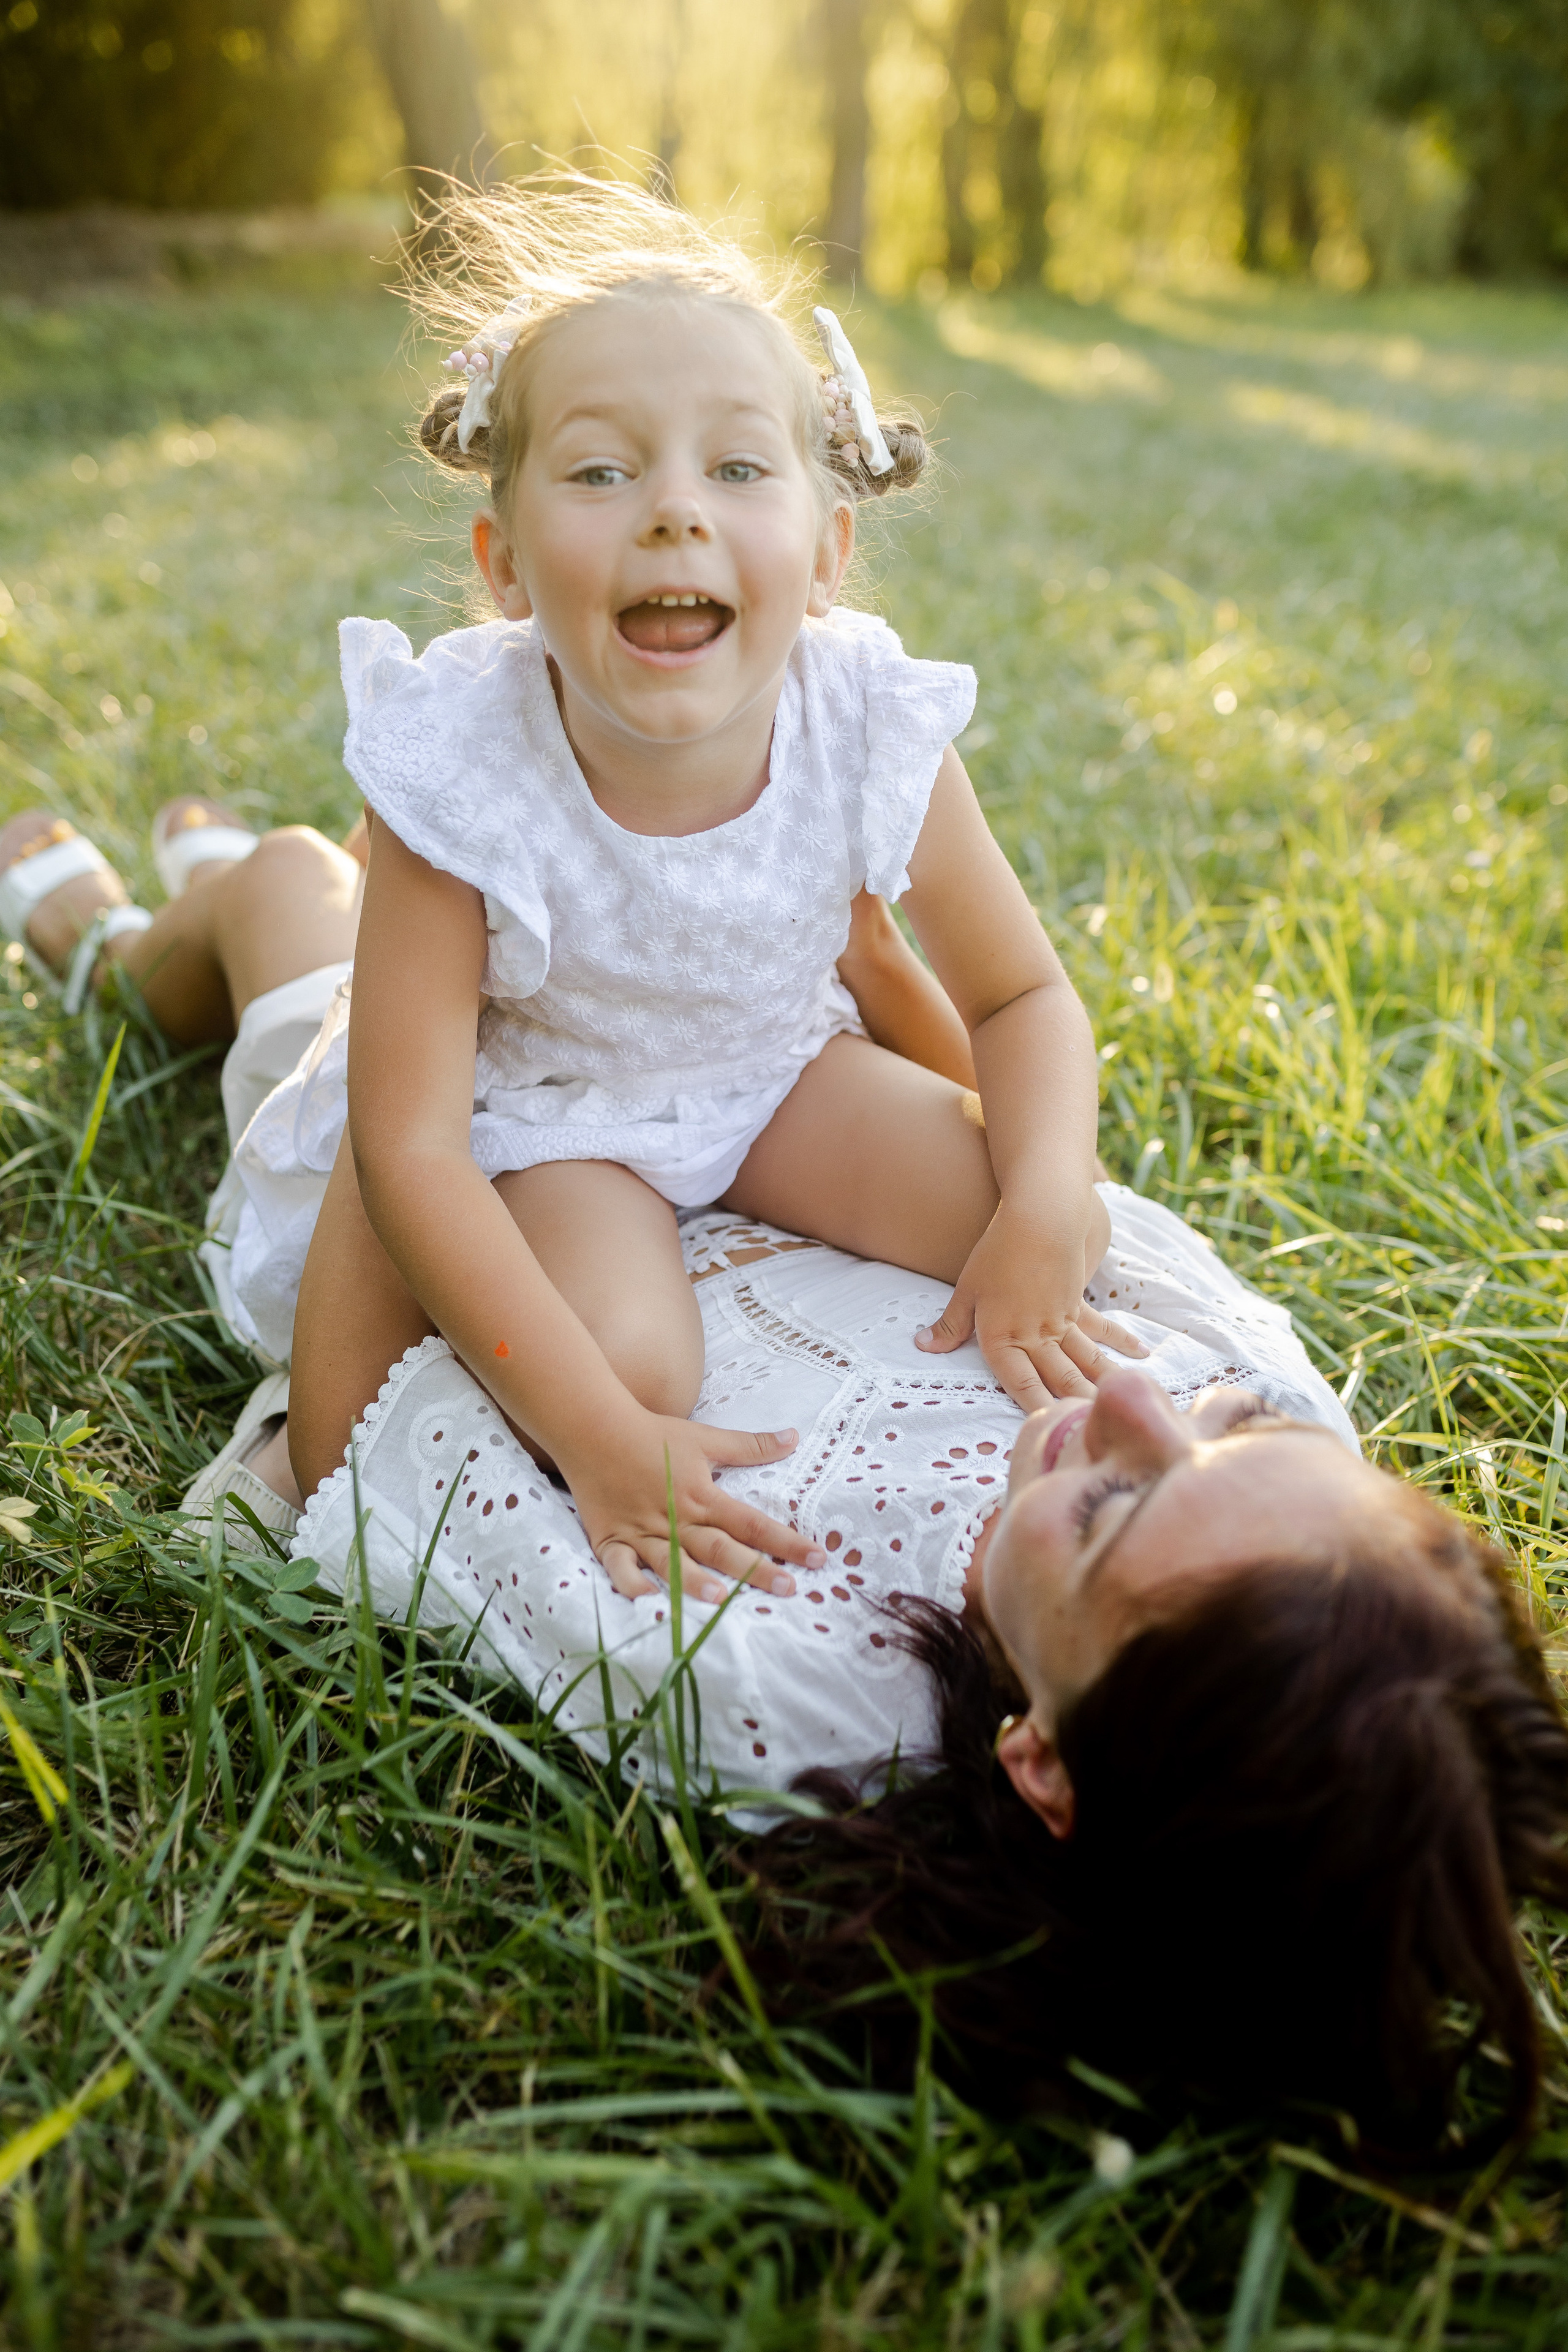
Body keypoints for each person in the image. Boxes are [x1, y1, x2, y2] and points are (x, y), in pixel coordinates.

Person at [5, 794, 1566, 2157]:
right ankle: (194, 919)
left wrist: (425, 1045)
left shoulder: (790, 1687)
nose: (1145, 1408)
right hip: (723, 1080)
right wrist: (859, 948)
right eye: (1235, 1432)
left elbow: (349, 1449)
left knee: (289, 884)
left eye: (1106, 1510)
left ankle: (107, 940)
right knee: (341, 884)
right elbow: (1013, 1174)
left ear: (1043, 1765)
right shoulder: (1278, 1456)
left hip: (458, 1186)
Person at [221, 170, 1155, 1608]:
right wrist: (601, 1441)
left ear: (830, 550)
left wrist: (1038, 1195)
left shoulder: (863, 715)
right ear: (505, 564)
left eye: (734, 469)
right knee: (622, 1363)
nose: (671, 513)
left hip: (770, 1079)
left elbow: (1021, 994)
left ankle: (264, 894)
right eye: (601, 472)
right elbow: (408, 1152)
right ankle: (198, 907)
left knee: (1042, 1217)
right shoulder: (459, 755)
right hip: (544, 1110)